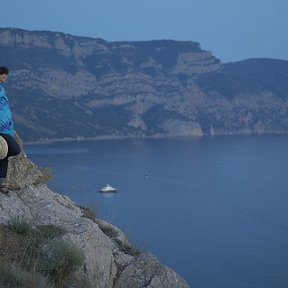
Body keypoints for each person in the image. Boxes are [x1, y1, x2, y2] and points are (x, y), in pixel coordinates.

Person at [0, 66, 21, 195]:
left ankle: (2, 183)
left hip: (6, 129)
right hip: (1, 128)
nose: (6, 77)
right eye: (4, 75)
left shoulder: (1, 88)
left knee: (4, 153)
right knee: (14, 149)